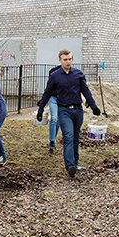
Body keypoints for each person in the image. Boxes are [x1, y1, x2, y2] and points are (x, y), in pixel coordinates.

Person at [36, 49, 101, 178]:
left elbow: (86, 91)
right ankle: (70, 166)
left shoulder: (78, 74)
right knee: (68, 136)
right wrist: (41, 109)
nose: (68, 62)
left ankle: (75, 163)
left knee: (76, 137)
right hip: (63, 110)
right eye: (65, 59)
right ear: (60, 60)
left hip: (77, 110)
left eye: (70, 59)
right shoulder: (55, 76)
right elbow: (47, 93)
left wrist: (94, 106)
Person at [47, 65, 61, 152]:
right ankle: (51, 141)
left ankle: (53, 140)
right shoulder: (53, 74)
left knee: (58, 120)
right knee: (54, 118)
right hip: (53, 99)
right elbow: (48, 90)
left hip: (62, 100)